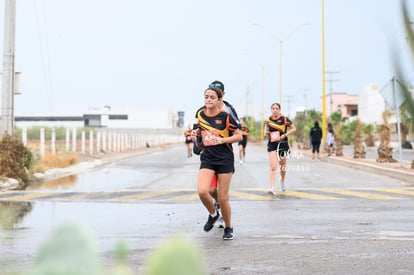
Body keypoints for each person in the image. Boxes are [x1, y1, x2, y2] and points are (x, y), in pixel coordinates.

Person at [193, 85, 242, 240]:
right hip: (208, 157)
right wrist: (197, 133)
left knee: (222, 197)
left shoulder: (226, 116)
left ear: (219, 99)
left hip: (224, 158)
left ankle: (228, 227)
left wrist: (222, 139)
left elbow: (239, 136)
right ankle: (214, 214)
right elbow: (201, 129)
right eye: (206, 97)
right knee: (202, 191)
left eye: (212, 97)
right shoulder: (200, 114)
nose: (208, 100)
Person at [264, 103, 296, 194]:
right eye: (273, 108)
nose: (275, 110)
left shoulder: (284, 119)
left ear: (279, 110)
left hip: (283, 144)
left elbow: (294, 129)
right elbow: (266, 128)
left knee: (282, 167)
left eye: (276, 108)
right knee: (273, 167)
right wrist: (266, 133)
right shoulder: (268, 120)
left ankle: (282, 181)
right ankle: (272, 187)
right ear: (271, 110)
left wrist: (285, 135)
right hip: (272, 144)